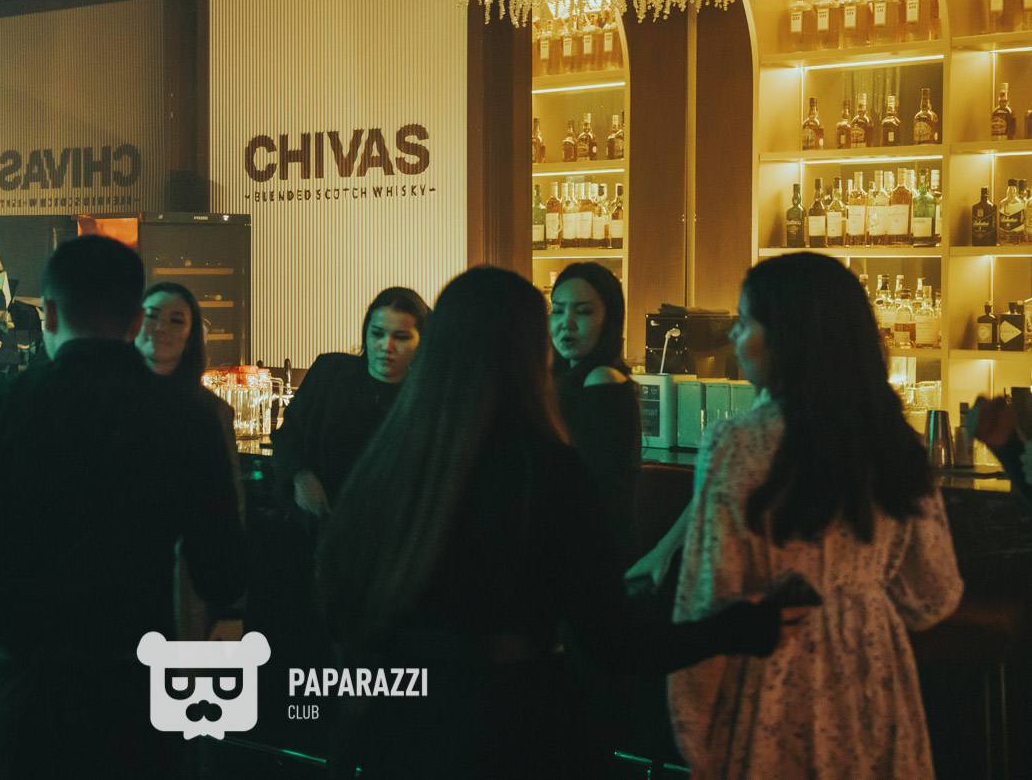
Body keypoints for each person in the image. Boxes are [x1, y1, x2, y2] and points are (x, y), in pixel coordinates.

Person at [317, 266, 785, 779]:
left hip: (404, 729)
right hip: (519, 725)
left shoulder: (391, 456)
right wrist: (733, 628)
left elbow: (337, 594)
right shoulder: (546, 469)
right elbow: (612, 644)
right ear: (527, 352)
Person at [0, 236, 245, 780]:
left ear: (48, 312)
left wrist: (7, 619)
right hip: (132, 687)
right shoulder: (188, 418)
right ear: (136, 319)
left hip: (17, 680)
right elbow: (222, 572)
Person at [669, 252, 963, 780]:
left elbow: (710, 595)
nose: (733, 336)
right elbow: (934, 594)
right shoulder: (896, 441)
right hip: (875, 676)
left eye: (744, 322)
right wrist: (861, 599)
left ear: (788, 337)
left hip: (773, 667)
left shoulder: (736, 443)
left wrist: (693, 726)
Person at [135, 281, 244, 641]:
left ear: (192, 336)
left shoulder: (210, 411)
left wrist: (231, 608)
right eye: (151, 316)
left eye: (176, 320)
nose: (161, 328)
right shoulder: (111, 399)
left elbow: (230, 510)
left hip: (186, 578)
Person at [273, 286, 430, 520]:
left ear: (422, 341)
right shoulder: (330, 373)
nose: (386, 346)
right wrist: (300, 476)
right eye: (377, 333)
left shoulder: (426, 399)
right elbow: (287, 436)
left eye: (401, 337)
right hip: (318, 525)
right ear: (366, 332)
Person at [549, 262, 642, 562]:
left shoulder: (602, 378)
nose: (567, 323)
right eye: (558, 310)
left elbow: (596, 489)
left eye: (584, 312)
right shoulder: (563, 378)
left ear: (609, 321)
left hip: (595, 552)